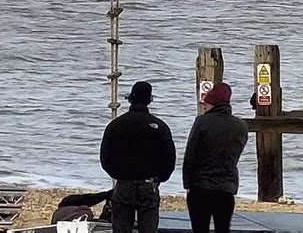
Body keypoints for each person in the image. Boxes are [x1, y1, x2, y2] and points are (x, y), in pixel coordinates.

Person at [100, 81, 176, 233]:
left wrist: (118, 175)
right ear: (149, 100)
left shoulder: (116, 125)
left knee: (121, 229)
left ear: (131, 99)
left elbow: (105, 157)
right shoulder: (159, 126)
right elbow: (169, 159)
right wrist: (160, 178)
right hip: (149, 184)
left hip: (123, 183)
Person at [182, 82, 248, 233]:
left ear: (213, 103)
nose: (204, 106)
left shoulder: (202, 122)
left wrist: (187, 184)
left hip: (201, 187)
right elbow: (236, 154)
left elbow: (190, 155)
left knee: (200, 228)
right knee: (223, 228)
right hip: (226, 187)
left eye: (206, 103)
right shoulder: (241, 126)